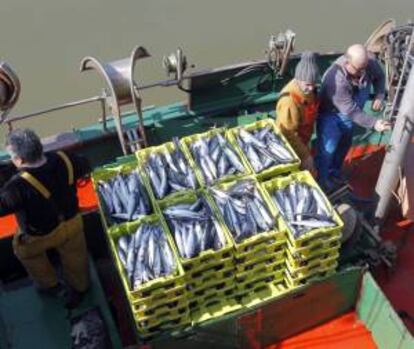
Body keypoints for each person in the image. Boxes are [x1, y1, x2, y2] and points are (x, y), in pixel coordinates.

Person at [0, 128, 91, 308]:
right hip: (72, 225)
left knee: (27, 254)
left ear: (18, 160)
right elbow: (85, 164)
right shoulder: (66, 158)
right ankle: (81, 286)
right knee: (76, 256)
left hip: (38, 237)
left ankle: (50, 286)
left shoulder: (16, 188)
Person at [315, 44, 392, 191]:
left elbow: (380, 77)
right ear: (347, 62)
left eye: (364, 68)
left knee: (344, 145)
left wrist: (379, 95)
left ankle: (335, 173)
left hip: (351, 112)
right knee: (328, 150)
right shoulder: (335, 80)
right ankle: (322, 181)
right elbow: (352, 111)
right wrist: (375, 123)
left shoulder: (367, 62)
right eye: (358, 69)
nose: (362, 72)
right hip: (331, 114)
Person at [276, 51, 320, 174]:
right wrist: (305, 156)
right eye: (308, 85)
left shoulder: (308, 89)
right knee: (309, 174)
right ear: (298, 79)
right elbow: (288, 134)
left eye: (313, 84)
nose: (311, 88)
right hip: (291, 144)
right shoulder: (289, 101)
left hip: (305, 138)